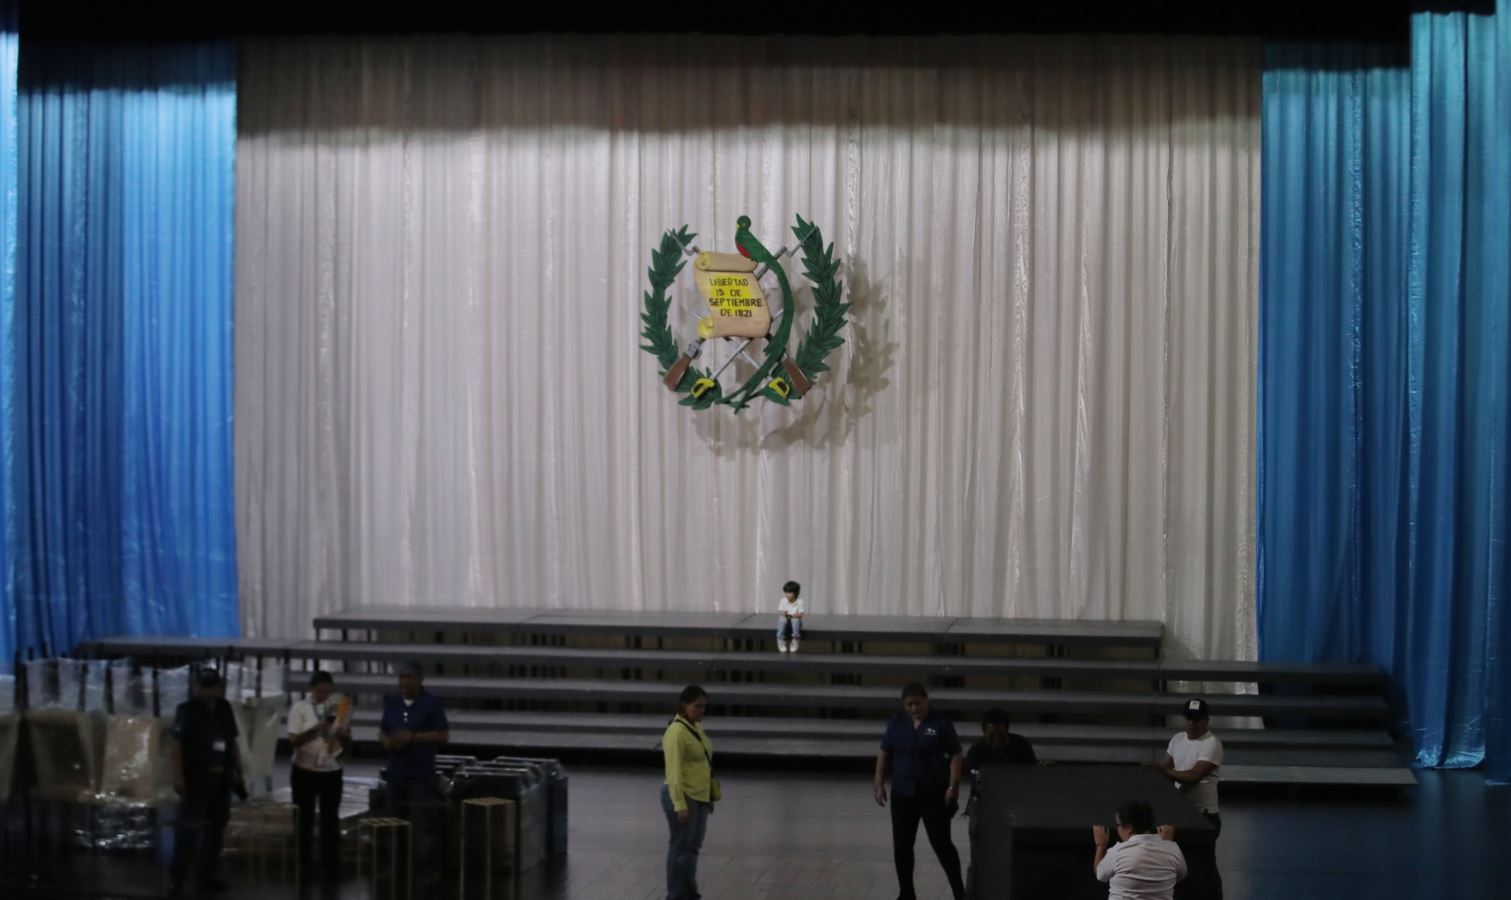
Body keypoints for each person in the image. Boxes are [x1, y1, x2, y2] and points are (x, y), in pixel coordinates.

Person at [874, 682, 966, 900]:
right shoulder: (896, 722)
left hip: (933, 793)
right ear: (903, 704)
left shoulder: (941, 723)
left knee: (942, 844)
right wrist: (878, 783)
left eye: (918, 703)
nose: (914, 708)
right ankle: (907, 892)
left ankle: (960, 893)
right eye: (909, 704)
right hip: (903, 793)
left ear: (927, 700)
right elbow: (884, 752)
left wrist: (953, 786)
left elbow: (956, 755)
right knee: (903, 846)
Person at [168, 668, 247, 897]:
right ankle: (178, 880)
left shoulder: (224, 708)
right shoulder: (187, 710)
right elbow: (176, 744)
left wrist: (238, 771)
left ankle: (207, 876)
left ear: (219, 687)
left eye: (211, 686)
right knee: (188, 831)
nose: (207, 690)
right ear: (196, 687)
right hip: (196, 778)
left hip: (221, 777)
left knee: (216, 830)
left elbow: (232, 741)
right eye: (204, 686)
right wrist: (178, 775)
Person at [379, 661, 449, 879]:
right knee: (393, 822)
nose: (405, 681)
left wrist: (415, 737)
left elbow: (443, 735)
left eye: (409, 677)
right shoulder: (392, 702)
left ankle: (428, 870)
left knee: (423, 824)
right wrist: (386, 742)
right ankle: (395, 866)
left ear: (420, 680)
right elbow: (383, 730)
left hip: (420, 773)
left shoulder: (431, 704)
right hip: (396, 771)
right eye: (402, 677)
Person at [287, 670, 350, 882]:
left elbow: (348, 739)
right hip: (305, 770)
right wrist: (315, 729)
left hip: (331, 769)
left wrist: (342, 733)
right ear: (312, 689)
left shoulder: (338, 707)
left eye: (327, 692)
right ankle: (303, 863)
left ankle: (330, 864)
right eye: (320, 692)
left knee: (330, 818)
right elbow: (293, 740)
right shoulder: (300, 708)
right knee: (304, 817)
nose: (323, 696)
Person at [661, 684, 719, 900]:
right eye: (698, 706)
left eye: (705, 706)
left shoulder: (696, 728)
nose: (703, 710)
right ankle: (676, 895)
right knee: (680, 849)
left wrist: (709, 796)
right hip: (682, 795)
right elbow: (673, 772)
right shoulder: (676, 732)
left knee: (692, 848)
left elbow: (703, 764)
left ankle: (688, 894)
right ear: (684, 706)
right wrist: (679, 805)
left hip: (699, 795)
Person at [1092, 800, 1186, 900]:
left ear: (1128, 827)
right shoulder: (1173, 849)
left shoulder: (1118, 851)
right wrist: (1167, 843)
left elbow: (1100, 874)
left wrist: (1100, 845)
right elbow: (1181, 874)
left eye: (1117, 825)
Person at [1159, 698, 1224, 836]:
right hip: (1180, 812)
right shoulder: (1177, 739)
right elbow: (1164, 769)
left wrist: (1164, 771)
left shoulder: (1211, 743)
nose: (1192, 723)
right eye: (1189, 718)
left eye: (1197, 719)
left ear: (1206, 720)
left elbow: (1193, 776)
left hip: (1204, 814)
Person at [775, 580, 804, 653]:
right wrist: (784, 613)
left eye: (790, 592)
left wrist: (796, 615)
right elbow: (781, 611)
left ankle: (795, 639)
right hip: (786, 620)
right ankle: (780, 639)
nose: (787, 594)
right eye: (786, 592)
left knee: (796, 620)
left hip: (795, 621)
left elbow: (800, 614)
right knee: (782, 619)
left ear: (795, 593)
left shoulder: (799, 601)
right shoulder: (783, 600)